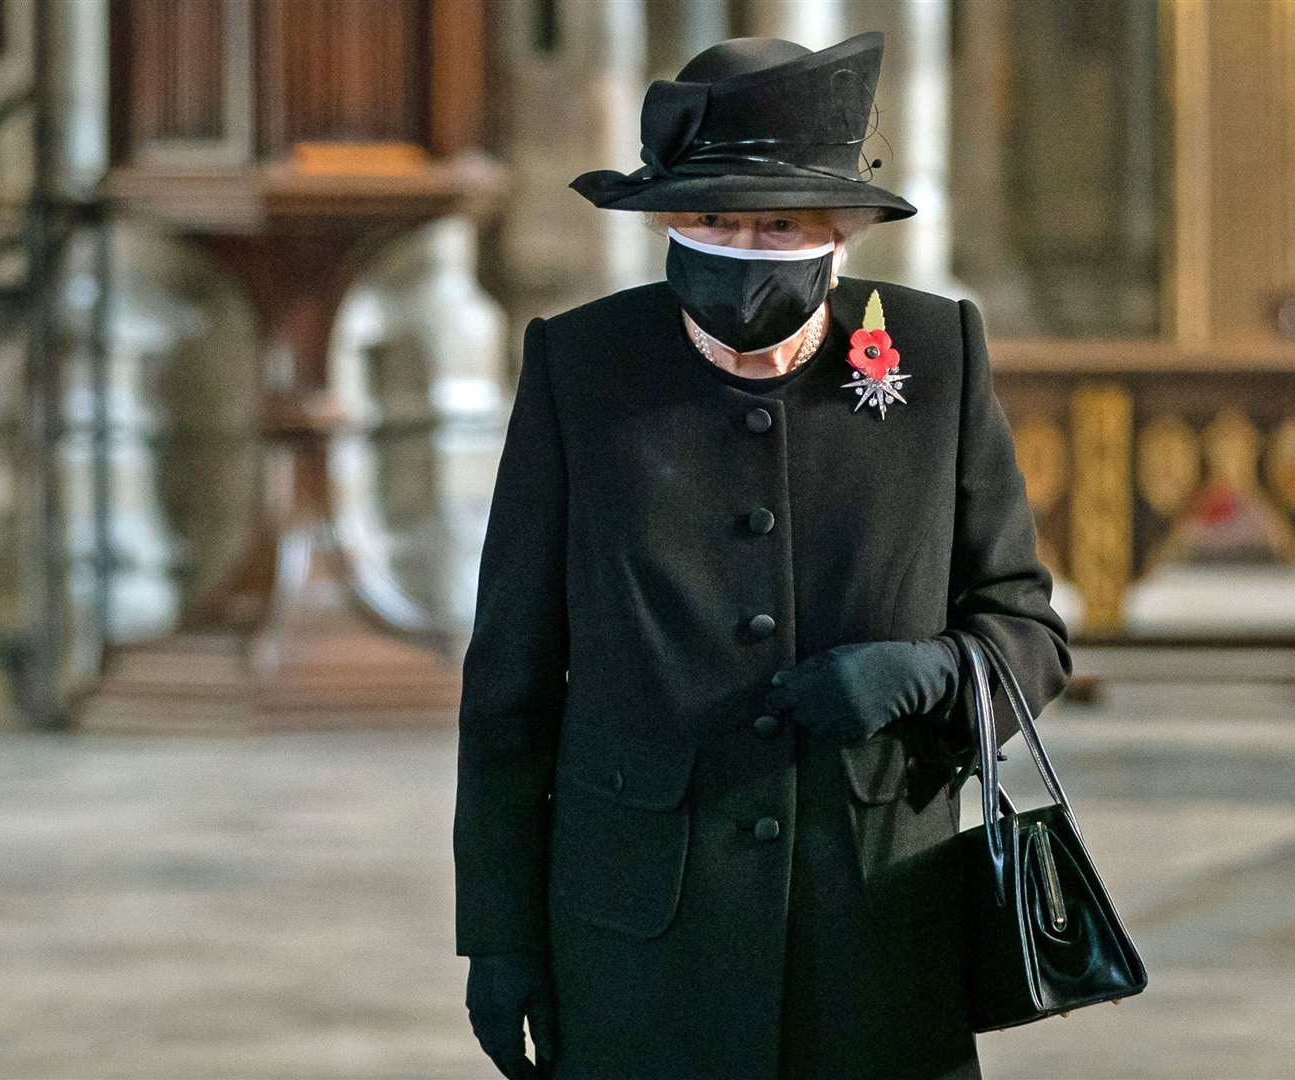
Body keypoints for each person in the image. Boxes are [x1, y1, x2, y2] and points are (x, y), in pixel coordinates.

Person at [455, 30, 1073, 1080]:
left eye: (775, 222)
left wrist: (927, 673)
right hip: (641, 937)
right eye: (710, 220)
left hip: (877, 921)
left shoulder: (935, 355)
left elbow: (1025, 625)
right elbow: (510, 684)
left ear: (838, 234)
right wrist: (501, 932)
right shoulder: (580, 367)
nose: (741, 245)